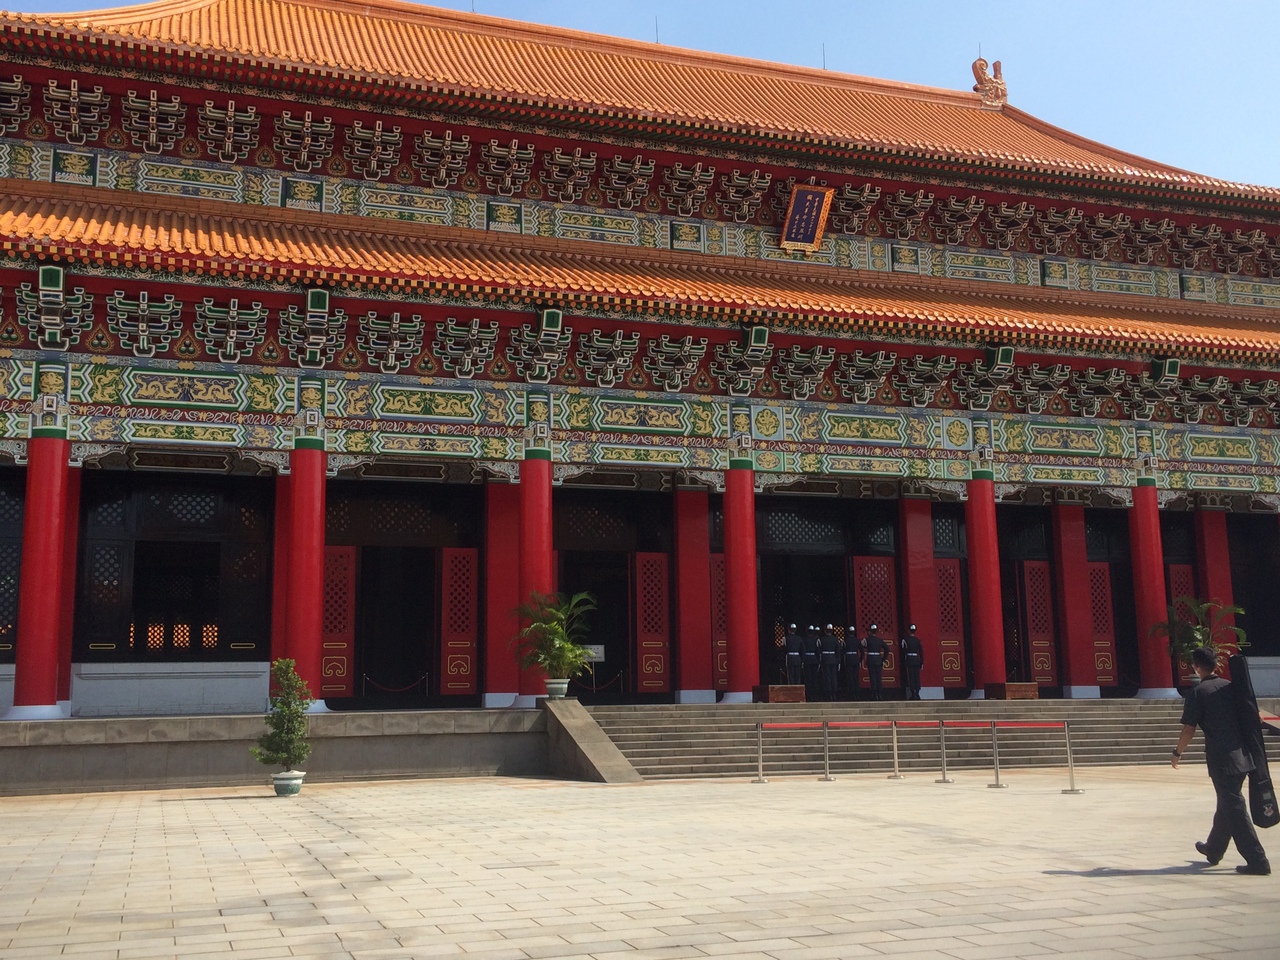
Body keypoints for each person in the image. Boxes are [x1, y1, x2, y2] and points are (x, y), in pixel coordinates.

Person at [1172, 647, 1270, 876]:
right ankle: (1213, 849)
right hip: (1243, 756)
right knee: (1227, 804)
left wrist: (1177, 752)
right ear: (1216, 665)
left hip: (1222, 760)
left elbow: (1188, 729)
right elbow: (1254, 715)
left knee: (1235, 809)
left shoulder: (1198, 692)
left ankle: (1258, 860)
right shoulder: (1231, 687)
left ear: (1196, 667)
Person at [863, 623, 887, 701]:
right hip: (878, 660)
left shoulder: (867, 640)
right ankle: (880, 694)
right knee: (878, 677)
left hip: (871, 659)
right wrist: (883, 659)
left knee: (872, 677)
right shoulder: (880, 640)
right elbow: (887, 649)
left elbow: (862, 646)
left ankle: (874, 694)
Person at [900, 624, 924, 701]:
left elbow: (903, 651)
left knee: (911, 677)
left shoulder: (905, 640)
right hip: (916, 659)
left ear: (909, 631)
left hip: (909, 659)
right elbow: (921, 652)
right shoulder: (918, 641)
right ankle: (917, 693)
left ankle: (913, 693)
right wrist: (921, 662)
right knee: (917, 677)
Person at [819, 624, 840, 702]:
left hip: (825, 659)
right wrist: (838, 661)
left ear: (825, 631)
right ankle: (834, 693)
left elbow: (819, 650)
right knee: (833, 677)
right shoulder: (835, 639)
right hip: (833, 659)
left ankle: (829, 693)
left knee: (827, 677)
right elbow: (838, 651)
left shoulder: (822, 639)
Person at [801, 625, 821, 701]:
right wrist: (818, 661)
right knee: (814, 678)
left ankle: (809, 694)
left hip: (807, 660)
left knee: (808, 678)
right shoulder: (816, 640)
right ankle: (815, 694)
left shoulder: (804, 640)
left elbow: (802, 651)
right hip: (814, 660)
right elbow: (818, 651)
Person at [843, 625, 862, 701]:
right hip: (855, 659)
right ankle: (857, 694)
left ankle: (851, 694)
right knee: (856, 677)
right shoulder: (857, 641)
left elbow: (842, 651)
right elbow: (862, 652)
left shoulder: (845, 640)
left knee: (850, 677)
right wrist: (860, 660)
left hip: (848, 659)